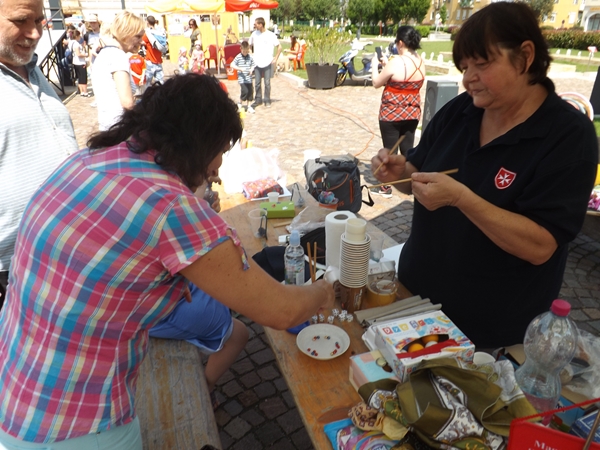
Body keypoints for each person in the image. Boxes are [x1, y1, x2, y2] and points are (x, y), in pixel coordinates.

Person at [0, 74, 334, 448]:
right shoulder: (172, 207)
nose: (218, 166)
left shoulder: (87, 159)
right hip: (76, 422)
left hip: (12, 388)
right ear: (200, 141)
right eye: (221, 149)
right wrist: (325, 290)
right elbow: (282, 311)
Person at [370, 2, 598, 350]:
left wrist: (461, 198)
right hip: (415, 300)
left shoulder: (568, 136)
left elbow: (540, 245)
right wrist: (400, 172)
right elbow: (417, 173)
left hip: (493, 330)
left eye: (482, 64)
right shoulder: (461, 110)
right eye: (465, 67)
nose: (468, 78)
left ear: (524, 57)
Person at [0, 0, 78, 309]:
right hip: (15, 266)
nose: (34, 33)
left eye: (39, 20)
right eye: (21, 20)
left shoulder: (31, 69)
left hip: (68, 247)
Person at [370, 26, 424, 199]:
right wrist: (386, 64)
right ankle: (412, 182)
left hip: (391, 114)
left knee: (390, 151)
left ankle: (386, 187)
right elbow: (404, 78)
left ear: (400, 43)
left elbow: (376, 82)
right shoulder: (421, 61)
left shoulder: (396, 61)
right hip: (412, 113)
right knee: (408, 149)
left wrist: (374, 66)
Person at [92, 11, 145, 131]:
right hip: (120, 126)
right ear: (125, 34)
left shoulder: (105, 53)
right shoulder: (118, 56)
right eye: (138, 37)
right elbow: (127, 103)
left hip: (107, 124)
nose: (141, 41)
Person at [249, 17, 281, 109]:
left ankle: (267, 99)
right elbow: (249, 45)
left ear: (261, 25)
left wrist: (276, 58)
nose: (254, 25)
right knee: (257, 83)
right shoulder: (254, 34)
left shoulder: (270, 35)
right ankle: (258, 99)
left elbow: (279, 47)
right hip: (257, 62)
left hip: (267, 61)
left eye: (256, 24)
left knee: (267, 82)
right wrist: (251, 54)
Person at [231, 40, 256, 113]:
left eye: (246, 52)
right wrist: (239, 69)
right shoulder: (238, 57)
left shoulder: (250, 57)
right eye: (243, 51)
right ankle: (240, 103)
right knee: (245, 91)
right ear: (241, 49)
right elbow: (232, 64)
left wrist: (251, 69)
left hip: (249, 79)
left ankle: (249, 106)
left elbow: (253, 64)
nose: (245, 53)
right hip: (242, 79)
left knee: (250, 92)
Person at [142, 15, 165, 86]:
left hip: (150, 61)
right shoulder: (160, 33)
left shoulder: (147, 34)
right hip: (159, 61)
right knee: (160, 84)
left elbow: (141, 42)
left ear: (147, 22)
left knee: (147, 83)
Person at [72, 29, 90, 96]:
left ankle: (81, 91)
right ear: (77, 36)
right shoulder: (76, 44)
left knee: (79, 77)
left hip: (75, 62)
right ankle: (85, 91)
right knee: (83, 78)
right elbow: (78, 54)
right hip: (80, 62)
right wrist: (86, 55)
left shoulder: (72, 43)